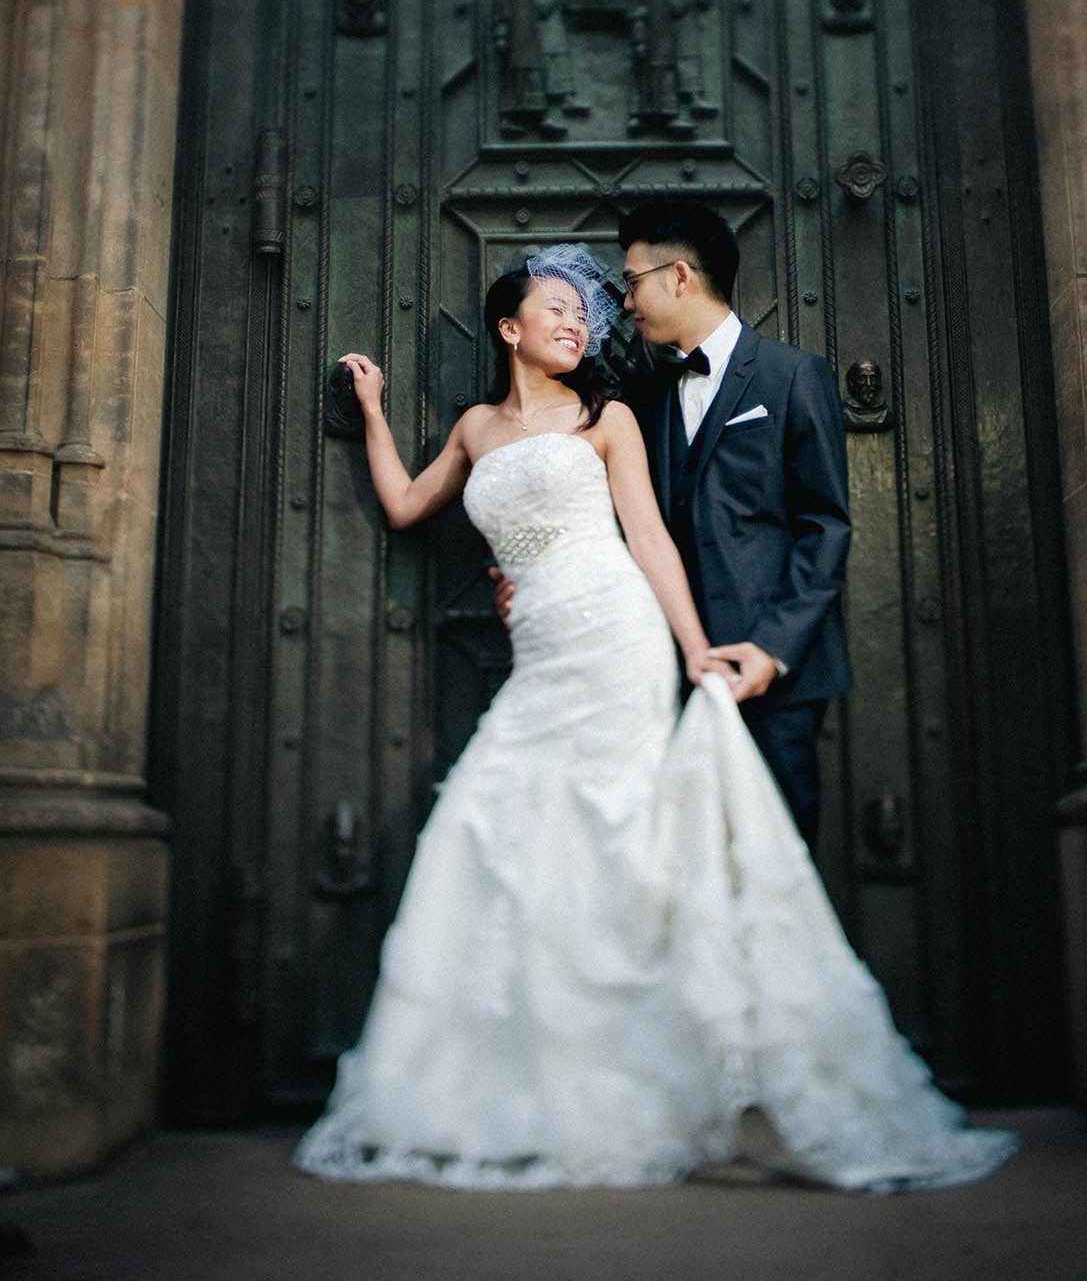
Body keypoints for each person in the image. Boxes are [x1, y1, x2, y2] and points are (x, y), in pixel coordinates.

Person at [293, 244, 1017, 1192]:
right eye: (554, 309)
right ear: (509, 328)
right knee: (497, 823)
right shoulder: (473, 426)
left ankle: (652, 1076)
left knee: (617, 835)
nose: (576, 323)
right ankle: (537, 1089)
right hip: (539, 656)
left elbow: (652, 539)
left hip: (619, 639)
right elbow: (403, 506)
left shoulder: (610, 417)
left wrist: (689, 648)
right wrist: (378, 412)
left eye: (583, 313)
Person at [614, 199, 851, 848]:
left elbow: (826, 525)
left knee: (774, 863)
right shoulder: (642, 399)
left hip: (772, 679)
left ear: (679, 276)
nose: (626, 301)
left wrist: (771, 650)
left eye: (632, 282)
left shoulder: (793, 377)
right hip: (664, 676)